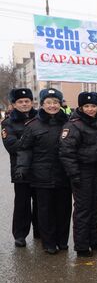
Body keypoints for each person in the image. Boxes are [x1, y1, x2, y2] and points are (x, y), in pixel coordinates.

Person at [16, 88, 71, 254]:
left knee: (64, 209)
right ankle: (49, 243)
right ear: (42, 105)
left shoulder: (68, 123)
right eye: (48, 102)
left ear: (60, 104)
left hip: (63, 174)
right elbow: (24, 149)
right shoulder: (33, 125)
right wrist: (22, 167)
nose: (52, 106)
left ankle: (62, 241)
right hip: (41, 175)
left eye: (55, 102)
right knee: (45, 211)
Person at [59, 91, 97, 258]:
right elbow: (67, 152)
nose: (90, 109)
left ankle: (93, 240)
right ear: (80, 107)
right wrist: (74, 174)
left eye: (93, 106)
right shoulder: (73, 125)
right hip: (82, 171)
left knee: (94, 207)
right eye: (86, 106)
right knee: (83, 209)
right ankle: (81, 245)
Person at [2, 88, 39, 247]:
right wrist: (31, 143)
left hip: (40, 168)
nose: (24, 104)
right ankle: (20, 235)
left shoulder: (40, 118)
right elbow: (11, 145)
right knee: (22, 204)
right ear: (14, 104)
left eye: (27, 101)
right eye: (20, 102)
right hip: (20, 170)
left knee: (40, 203)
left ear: (32, 102)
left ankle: (40, 232)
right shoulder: (8, 123)